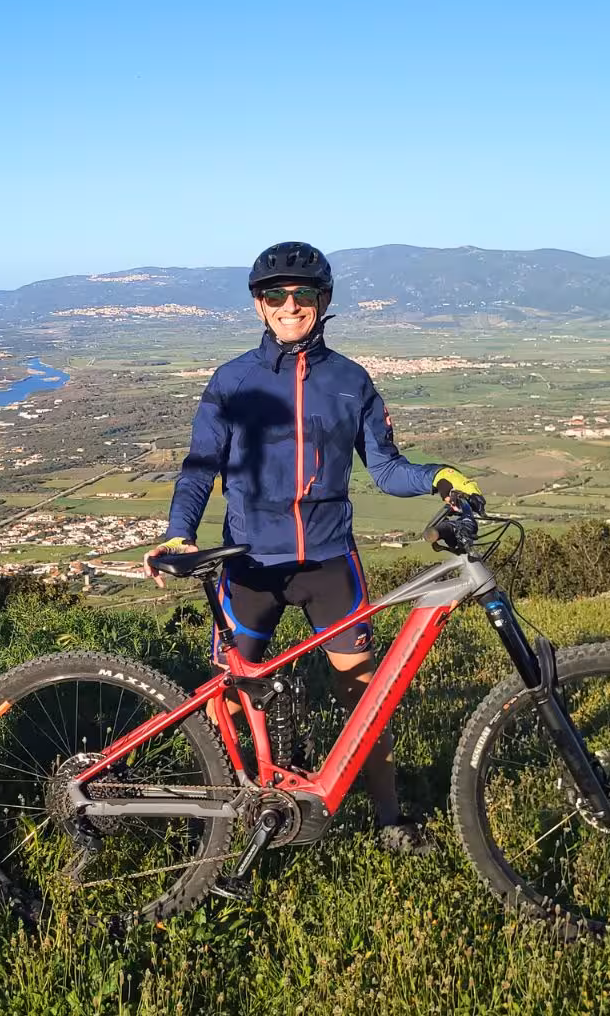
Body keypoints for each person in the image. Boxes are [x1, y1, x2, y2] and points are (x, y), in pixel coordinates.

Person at [143, 240, 483, 853]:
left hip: (329, 562)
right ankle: (227, 830)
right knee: (235, 699)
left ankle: (389, 822)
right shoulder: (233, 380)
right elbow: (198, 469)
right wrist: (179, 530)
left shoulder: (350, 381)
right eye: (276, 295)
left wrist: (438, 475)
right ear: (259, 306)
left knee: (365, 699)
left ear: (323, 302)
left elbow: (385, 469)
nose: (290, 305)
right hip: (248, 565)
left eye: (303, 294)